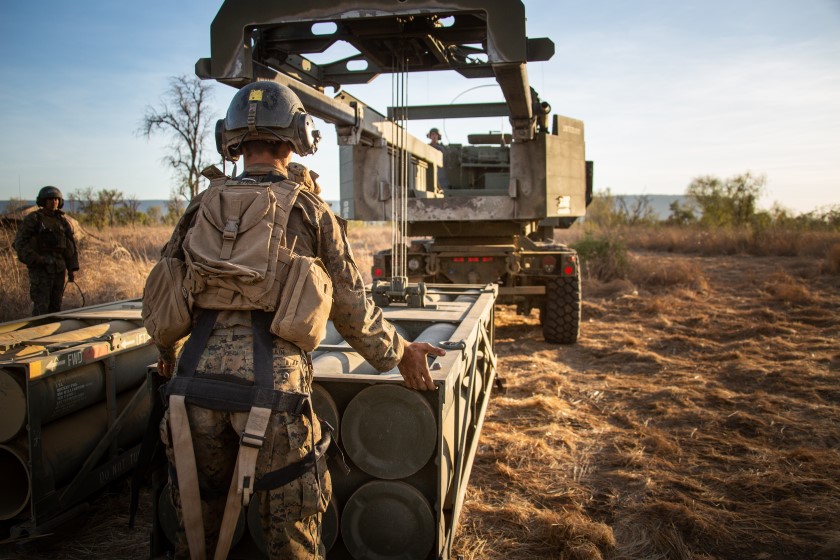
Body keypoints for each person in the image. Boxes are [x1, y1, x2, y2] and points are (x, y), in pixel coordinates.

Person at [153, 80, 445, 560]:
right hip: (274, 393)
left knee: (196, 528)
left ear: (233, 141)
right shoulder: (309, 209)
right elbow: (351, 306)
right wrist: (400, 352)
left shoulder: (200, 206)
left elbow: (164, 298)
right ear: (295, 139)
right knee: (292, 533)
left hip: (193, 388)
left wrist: (167, 358)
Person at [13, 186, 79, 316]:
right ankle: (36, 334)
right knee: (41, 307)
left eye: (56, 199)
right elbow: (19, 243)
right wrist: (35, 258)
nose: (53, 202)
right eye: (50, 199)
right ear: (43, 201)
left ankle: (52, 333)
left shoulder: (62, 221)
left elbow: (70, 246)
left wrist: (71, 269)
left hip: (59, 269)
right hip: (41, 270)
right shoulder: (34, 219)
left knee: (55, 307)